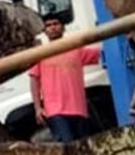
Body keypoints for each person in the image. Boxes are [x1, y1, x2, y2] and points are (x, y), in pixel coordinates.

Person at [29, 14, 100, 142]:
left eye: (56, 24)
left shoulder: (76, 49)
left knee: (82, 148)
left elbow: (101, 53)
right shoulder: (40, 54)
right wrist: (38, 108)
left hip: (79, 109)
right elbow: (34, 80)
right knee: (66, 146)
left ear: (63, 27)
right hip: (55, 111)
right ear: (44, 31)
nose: (52, 28)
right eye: (48, 25)